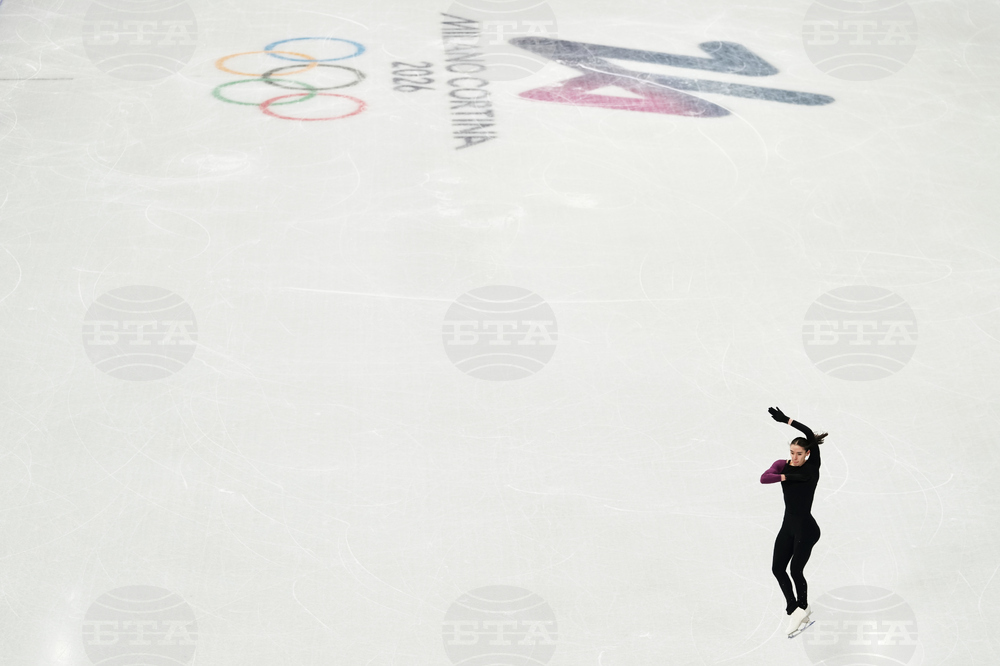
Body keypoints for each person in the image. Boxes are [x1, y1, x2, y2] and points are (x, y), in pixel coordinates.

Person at [760, 406, 828, 636]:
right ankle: (794, 610)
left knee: (795, 570)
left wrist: (788, 420)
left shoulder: (813, 466)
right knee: (778, 568)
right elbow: (764, 478)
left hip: (807, 529)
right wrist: (787, 475)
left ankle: (803, 607)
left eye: (799, 453)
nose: (794, 456)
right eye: (792, 452)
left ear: (807, 453)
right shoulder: (784, 465)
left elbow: (809, 433)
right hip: (788, 526)